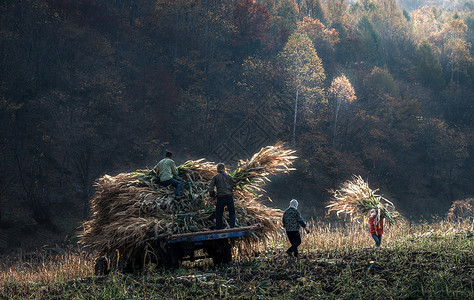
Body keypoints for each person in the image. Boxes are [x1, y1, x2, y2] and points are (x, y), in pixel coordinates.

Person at [209, 163, 235, 229]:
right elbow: (233, 185)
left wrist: (212, 194)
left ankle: (219, 228)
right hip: (229, 197)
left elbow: (211, 187)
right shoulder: (229, 176)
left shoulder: (216, 177)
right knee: (232, 213)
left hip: (221, 197)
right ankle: (232, 227)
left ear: (217, 169)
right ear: (224, 169)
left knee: (219, 214)